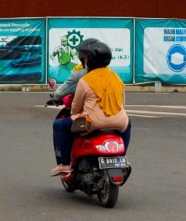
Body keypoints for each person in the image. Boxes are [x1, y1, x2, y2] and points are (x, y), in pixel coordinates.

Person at [51, 40, 131, 177]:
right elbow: (122, 103)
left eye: (85, 58)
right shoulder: (117, 78)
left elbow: (75, 107)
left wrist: (74, 114)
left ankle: (64, 164)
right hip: (119, 122)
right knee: (128, 124)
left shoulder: (85, 79)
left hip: (92, 123)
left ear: (90, 60)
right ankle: (121, 157)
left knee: (60, 125)